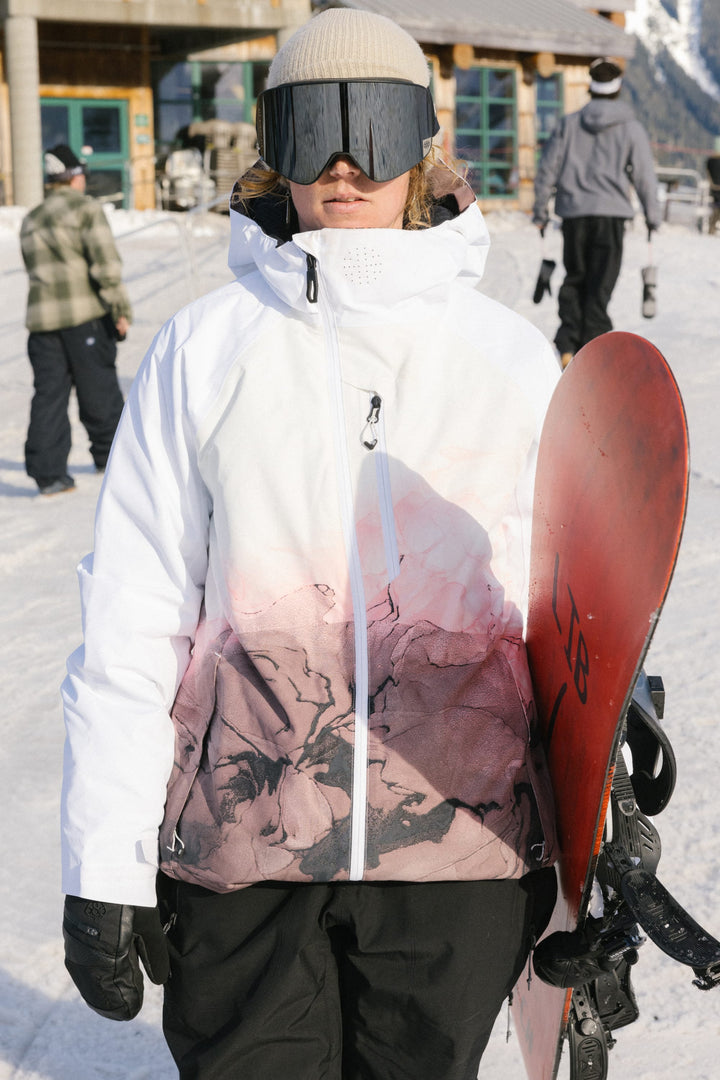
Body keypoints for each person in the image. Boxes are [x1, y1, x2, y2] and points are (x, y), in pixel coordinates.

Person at [60, 10, 560, 1078]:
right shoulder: (205, 350)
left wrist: (595, 850)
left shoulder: (510, 360)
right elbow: (134, 610)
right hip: (246, 852)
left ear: (422, 143)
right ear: (271, 144)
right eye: (311, 128)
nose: (343, 162)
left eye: (374, 125)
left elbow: (566, 624)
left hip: (459, 858)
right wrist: (105, 857)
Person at [532, 58, 661, 368]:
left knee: (575, 278)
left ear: (590, 87)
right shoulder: (631, 129)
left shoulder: (568, 125)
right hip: (610, 218)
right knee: (600, 285)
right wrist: (652, 215)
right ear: (617, 89)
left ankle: (568, 344)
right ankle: (595, 351)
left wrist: (540, 210)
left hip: (574, 216)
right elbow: (644, 176)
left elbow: (547, 169)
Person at [20, 144, 132, 495]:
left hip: (42, 325)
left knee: (48, 396)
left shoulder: (32, 218)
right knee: (98, 389)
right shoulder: (85, 210)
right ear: (72, 177)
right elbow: (105, 266)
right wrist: (120, 309)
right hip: (84, 318)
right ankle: (112, 458)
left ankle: (49, 474)